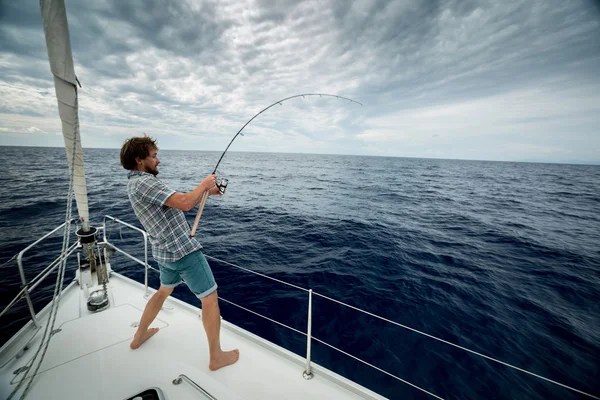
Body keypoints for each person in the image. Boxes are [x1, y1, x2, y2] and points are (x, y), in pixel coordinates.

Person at [120, 135, 239, 371]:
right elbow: (185, 203)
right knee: (210, 300)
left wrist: (208, 193)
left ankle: (139, 337)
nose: (158, 161)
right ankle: (216, 357)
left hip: (165, 253)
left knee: (163, 292)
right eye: (154, 156)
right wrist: (204, 184)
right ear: (139, 159)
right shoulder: (145, 182)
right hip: (184, 252)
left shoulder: (135, 183)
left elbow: (177, 201)